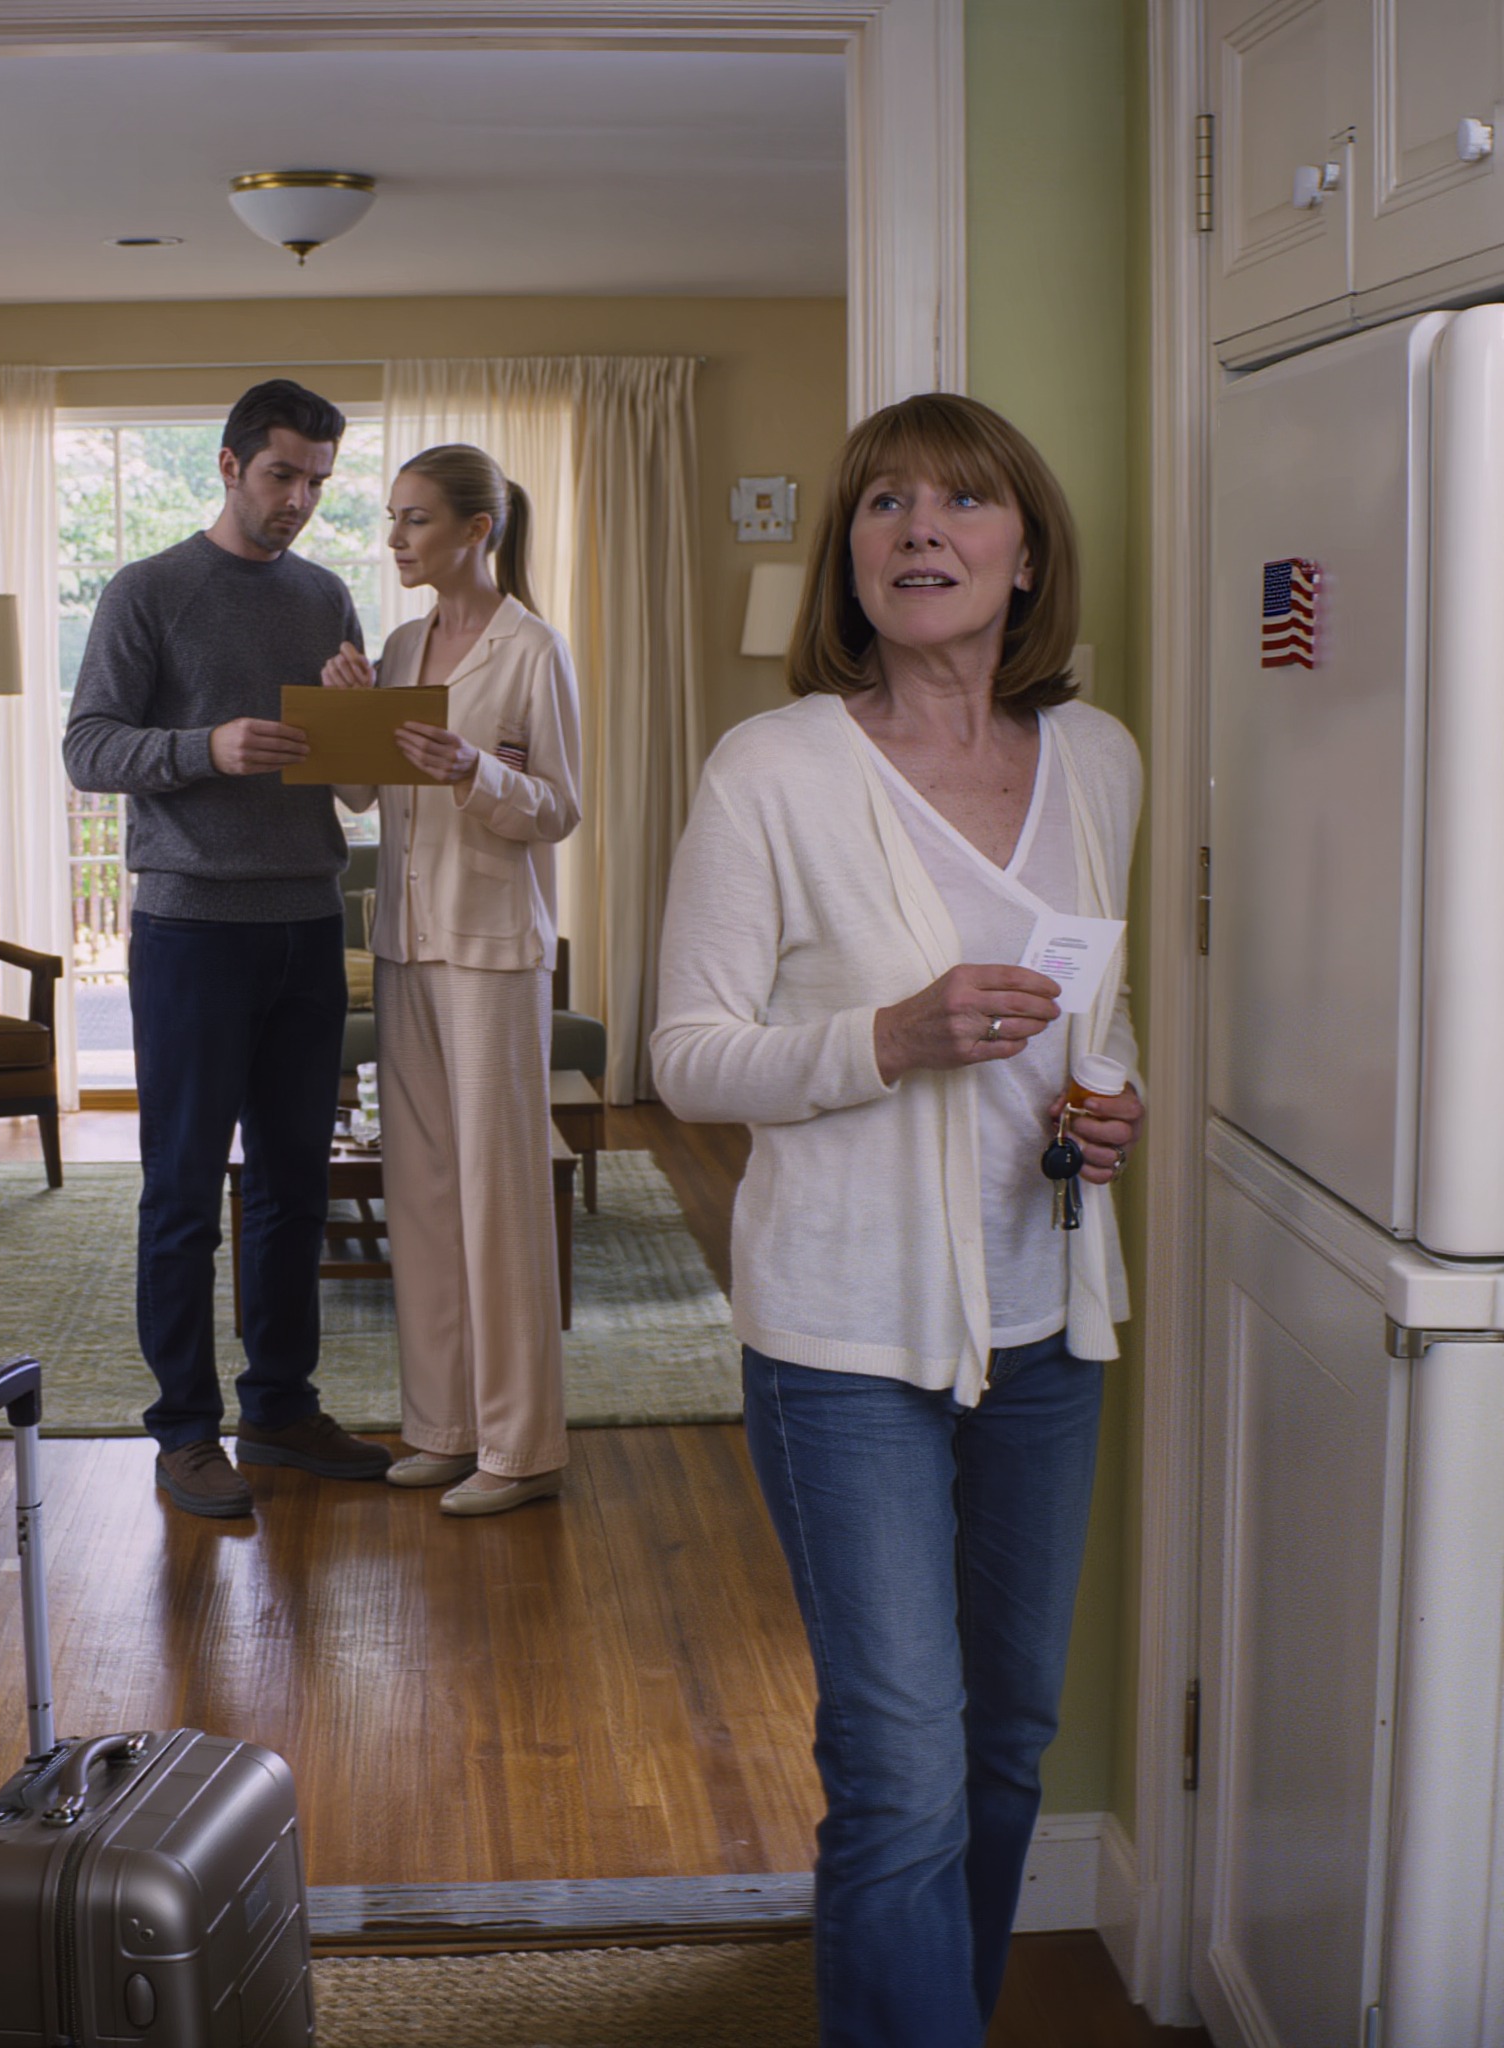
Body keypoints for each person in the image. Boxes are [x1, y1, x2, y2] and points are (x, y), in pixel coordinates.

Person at [649, 393, 1145, 2044]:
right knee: (903, 1768)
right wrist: (885, 1037)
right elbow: (683, 1056)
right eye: (882, 504)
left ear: (1026, 553)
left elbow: (1093, 1014)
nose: (920, 527)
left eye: (961, 501)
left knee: (1006, 1742)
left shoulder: (1098, 759)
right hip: (843, 1340)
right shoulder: (773, 768)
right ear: (849, 557)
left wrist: (1110, 1103)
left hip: (1048, 1324)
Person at [63, 379, 393, 1520]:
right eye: (281, 475)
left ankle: (282, 1408)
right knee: (183, 1192)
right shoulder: (147, 590)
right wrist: (207, 746)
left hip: (307, 922)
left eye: (317, 482)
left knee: (296, 1185)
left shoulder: (327, 595)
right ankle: (184, 1429)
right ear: (228, 465)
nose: (299, 499)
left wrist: (359, 713)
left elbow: (355, 780)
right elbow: (87, 747)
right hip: (191, 930)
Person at [320, 444, 582, 1515]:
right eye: (391, 517)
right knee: (420, 1189)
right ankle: (442, 1427)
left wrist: (475, 770)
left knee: (498, 1195)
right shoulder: (397, 646)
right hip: (405, 944)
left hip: (491, 950)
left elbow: (559, 808)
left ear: (478, 529)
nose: (395, 538)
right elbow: (356, 794)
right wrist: (347, 710)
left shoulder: (533, 650)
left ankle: (521, 1447)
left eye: (415, 519)